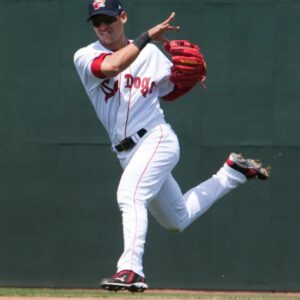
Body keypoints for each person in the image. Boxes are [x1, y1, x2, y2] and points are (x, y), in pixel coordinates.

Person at [74, 0, 271, 293]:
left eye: (108, 19)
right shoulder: (85, 55)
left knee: (129, 194)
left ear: (123, 17)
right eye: (97, 21)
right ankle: (233, 173)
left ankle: (130, 270)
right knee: (176, 219)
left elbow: (171, 90)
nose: (103, 26)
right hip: (126, 153)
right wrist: (146, 37)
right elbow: (113, 65)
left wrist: (190, 78)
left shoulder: (152, 55)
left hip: (157, 139)